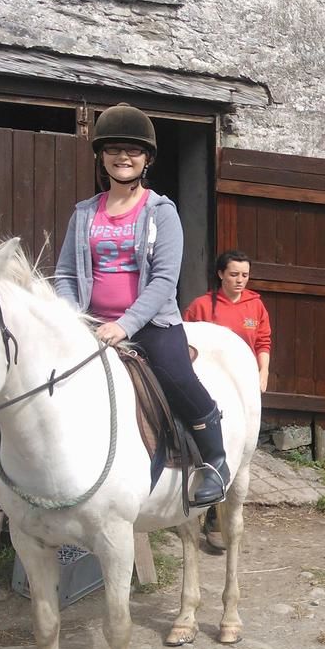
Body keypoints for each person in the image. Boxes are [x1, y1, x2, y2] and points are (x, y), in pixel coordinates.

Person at [53, 104, 229, 507]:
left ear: (146, 158)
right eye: (113, 148)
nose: (123, 157)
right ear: (101, 156)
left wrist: (125, 325)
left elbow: (165, 279)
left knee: (178, 379)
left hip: (151, 325)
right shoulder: (83, 214)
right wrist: (73, 317)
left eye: (132, 150)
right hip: (90, 323)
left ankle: (215, 459)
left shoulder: (161, 212)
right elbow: (64, 273)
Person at [185, 250, 272, 549]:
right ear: (221, 274)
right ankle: (206, 512)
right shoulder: (200, 307)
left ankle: (223, 514)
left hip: (243, 390)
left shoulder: (255, 306)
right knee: (209, 444)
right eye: (234, 274)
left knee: (240, 448)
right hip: (209, 389)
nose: (240, 280)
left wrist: (263, 372)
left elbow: (263, 341)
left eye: (245, 275)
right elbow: (184, 345)